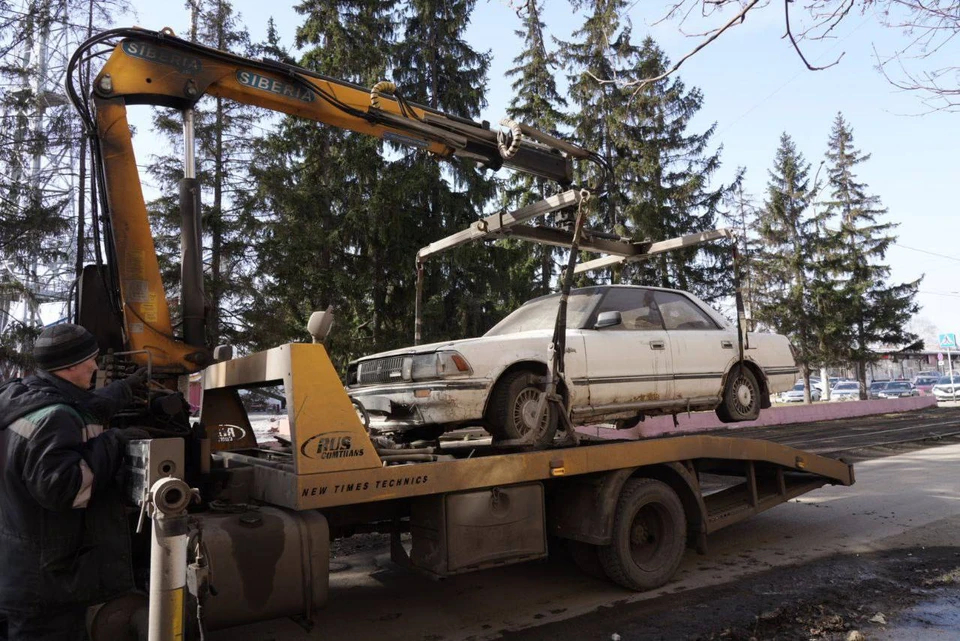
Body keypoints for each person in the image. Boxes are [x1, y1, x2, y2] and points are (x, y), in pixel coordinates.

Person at [0, 323, 149, 641]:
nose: (95, 366)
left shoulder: (20, 397)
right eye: (90, 360)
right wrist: (115, 442)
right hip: (46, 588)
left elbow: (69, 405)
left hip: (16, 568)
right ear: (69, 366)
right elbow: (65, 489)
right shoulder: (56, 417)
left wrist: (123, 390)